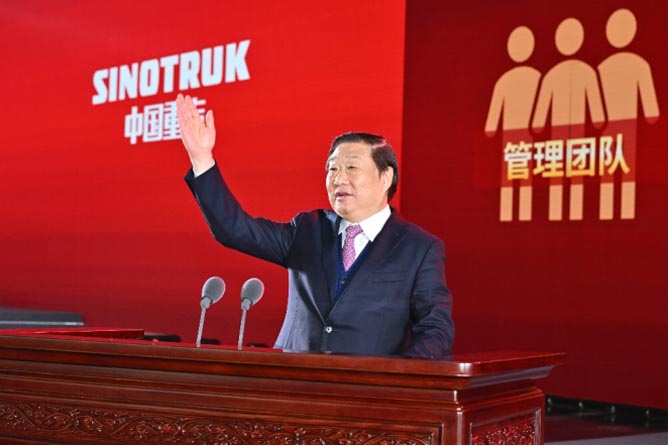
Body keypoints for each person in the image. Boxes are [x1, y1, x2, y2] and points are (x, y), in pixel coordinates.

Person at [176, 93, 454, 359]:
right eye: (332, 169)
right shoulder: (307, 229)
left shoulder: (419, 248)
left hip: (367, 388)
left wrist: (399, 378)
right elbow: (234, 229)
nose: (338, 178)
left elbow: (435, 329)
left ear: (386, 177)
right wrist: (202, 159)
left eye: (351, 168)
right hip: (292, 382)